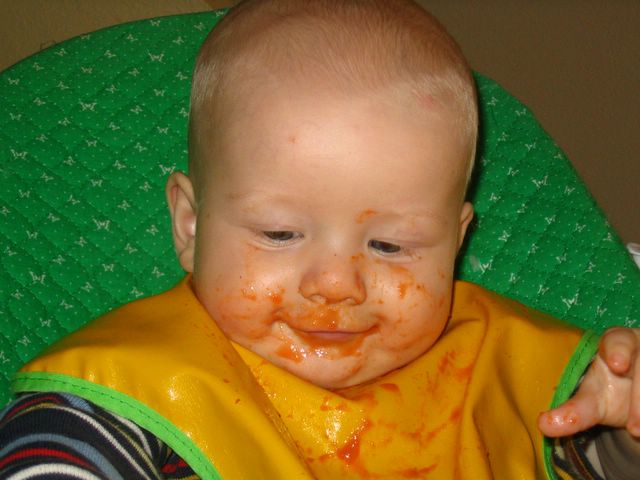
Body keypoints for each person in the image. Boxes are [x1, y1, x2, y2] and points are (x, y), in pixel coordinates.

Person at [1, 0, 639, 478]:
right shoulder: (120, 404)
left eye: (391, 246)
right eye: (280, 233)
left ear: (455, 242)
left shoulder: (501, 367)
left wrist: (622, 439)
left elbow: (579, 459)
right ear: (191, 225)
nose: (336, 285)